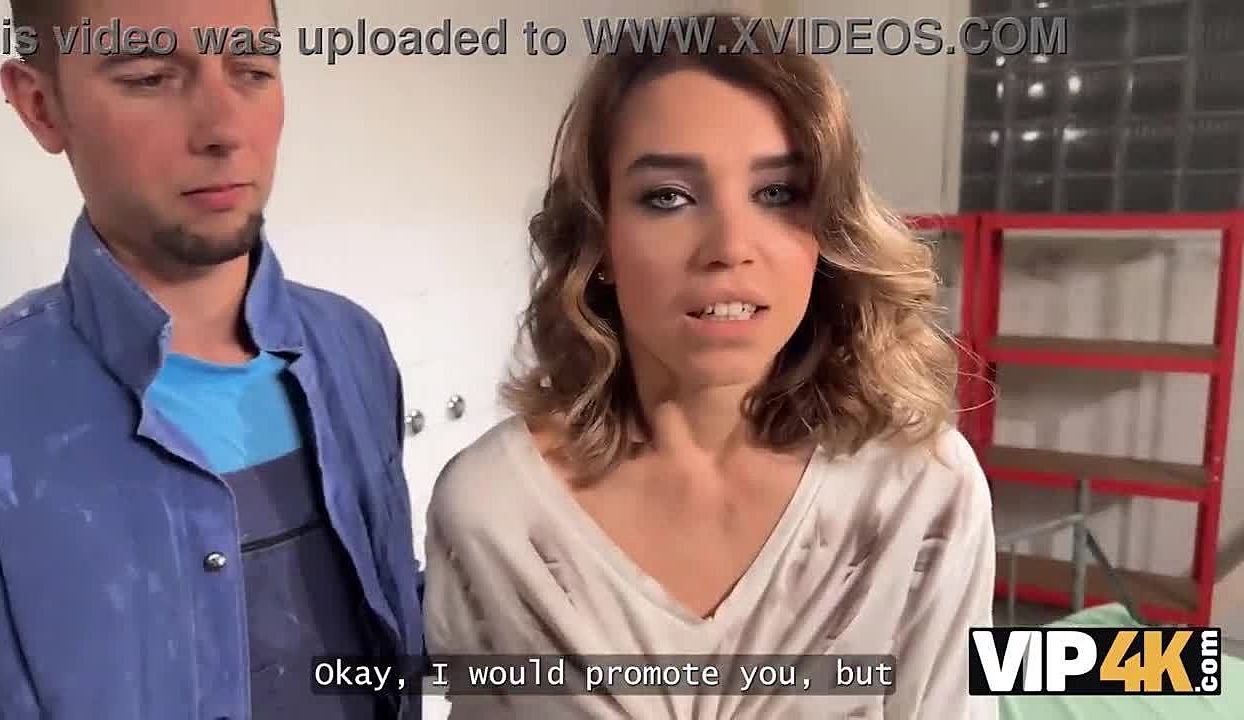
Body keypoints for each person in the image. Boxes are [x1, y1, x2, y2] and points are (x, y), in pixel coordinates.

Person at [423, 11, 997, 720]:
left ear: (828, 231)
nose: (729, 247)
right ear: (601, 241)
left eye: (777, 194)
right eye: (668, 197)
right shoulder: (492, 509)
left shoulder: (922, 491)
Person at [0, 1, 422, 718]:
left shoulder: (353, 346)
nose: (224, 130)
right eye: (150, 77)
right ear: (41, 106)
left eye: (252, 70)